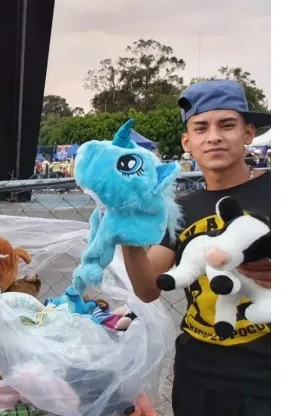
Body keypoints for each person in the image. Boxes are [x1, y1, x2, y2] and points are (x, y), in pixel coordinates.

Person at [121, 79, 271, 416]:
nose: (214, 136)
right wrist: (128, 236)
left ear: (249, 133)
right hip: (200, 379)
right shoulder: (180, 210)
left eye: (227, 125)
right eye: (201, 128)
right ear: (187, 142)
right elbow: (147, 289)